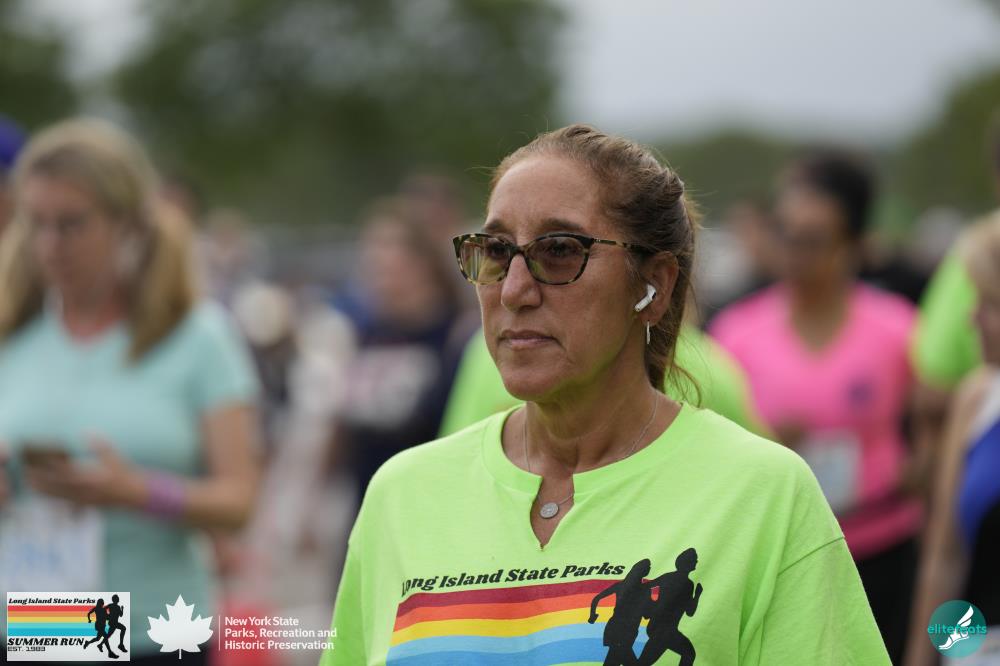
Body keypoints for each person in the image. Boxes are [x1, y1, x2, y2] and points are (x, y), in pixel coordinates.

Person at [319, 124, 888, 665]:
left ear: (654, 285)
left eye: (559, 250)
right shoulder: (402, 495)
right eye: (494, 250)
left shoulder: (765, 494)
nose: (514, 290)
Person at [0, 118, 260, 664]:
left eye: (72, 224)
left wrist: (138, 492)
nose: (50, 246)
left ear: (128, 223)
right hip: (36, 625)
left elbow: (239, 503)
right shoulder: (11, 333)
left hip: (157, 631)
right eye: (36, 223)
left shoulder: (198, 337)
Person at [709, 149, 921, 662]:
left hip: (883, 543)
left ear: (852, 245)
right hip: (784, 549)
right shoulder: (735, 333)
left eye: (814, 240)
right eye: (785, 235)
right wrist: (768, 439)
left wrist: (918, 468)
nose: (795, 253)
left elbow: (937, 429)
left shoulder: (897, 328)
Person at [904, 217, 1000, 666]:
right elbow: (946, 559)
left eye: (990, 303)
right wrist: (926, 657)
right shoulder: (977, 397)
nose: (971, 317)